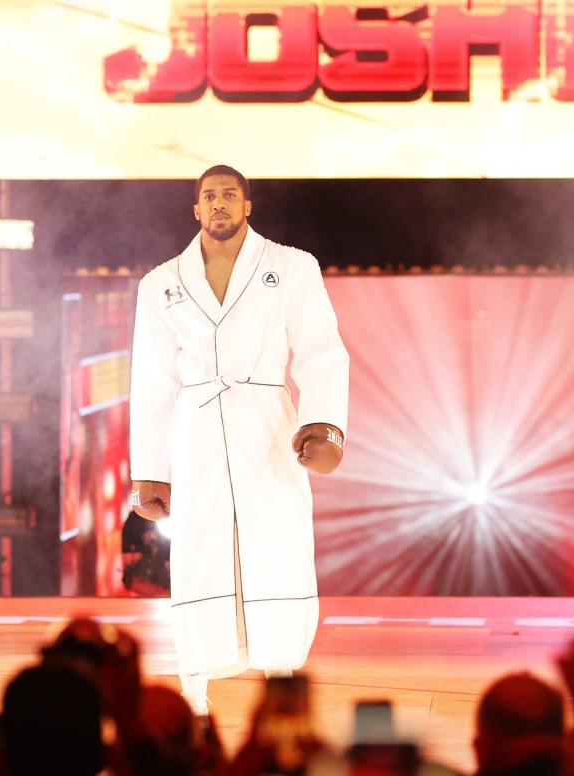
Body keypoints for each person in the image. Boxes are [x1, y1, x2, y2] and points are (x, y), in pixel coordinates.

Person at [129, 164, 349, 715]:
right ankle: (197, 679)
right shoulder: (161, 284)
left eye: (231, 195)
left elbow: (321, 349)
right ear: (196, 209)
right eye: (210, 196)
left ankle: (282, 666)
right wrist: (150, 467)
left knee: (278, 540)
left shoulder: (292, 268)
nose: (220, 203)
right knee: (201, 547)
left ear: (248, 205)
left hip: (268, 423)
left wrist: (323, 424)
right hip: (197, 428)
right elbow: (152, 379)